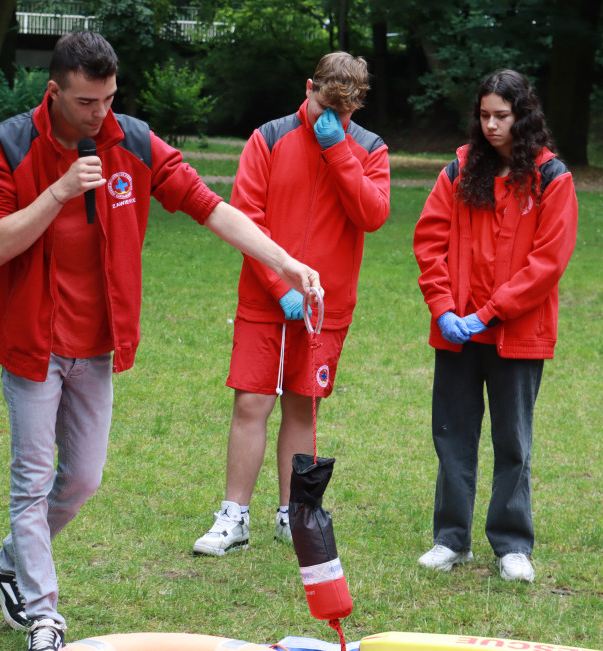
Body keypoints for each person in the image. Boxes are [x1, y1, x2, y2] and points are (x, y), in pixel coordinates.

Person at [0, 31, 320, 651]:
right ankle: (43, 617)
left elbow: (210, 207)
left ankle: (7, 566)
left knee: (82, 480)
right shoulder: (5, 146)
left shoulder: (131, 139)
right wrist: (59, 191)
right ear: (54, 92)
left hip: (96, 344)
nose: (98, 114)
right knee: (30, 482)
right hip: (31, 344)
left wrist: (286, 261)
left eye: (107, 99)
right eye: (84, 102)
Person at [192, 52, 390, 557]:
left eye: (344, 114)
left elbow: (372, 215)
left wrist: (340, 150)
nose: (332, 120)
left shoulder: (368, 147)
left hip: (327, 306)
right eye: (325, 106)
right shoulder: (269, 137)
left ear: (358, 107)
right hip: (264, 297)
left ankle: (293, 514)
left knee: (303, 404)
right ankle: (234, 516)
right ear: (308, 87)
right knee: (252, 401)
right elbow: (246, 216)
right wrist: (280, 286)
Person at [412, 69, 577, 582]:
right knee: (453, 437)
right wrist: (442, 307)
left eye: (501, 116)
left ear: (522, 116)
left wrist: (487, 312)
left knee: (513, 442)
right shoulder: (459, 169)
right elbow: (429, 241)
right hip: (457, 332)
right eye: (483, 115)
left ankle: (511, 546)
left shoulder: (552, 178)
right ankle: (450, 540)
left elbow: (546, 263)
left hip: (515, 334)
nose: (490, 126)